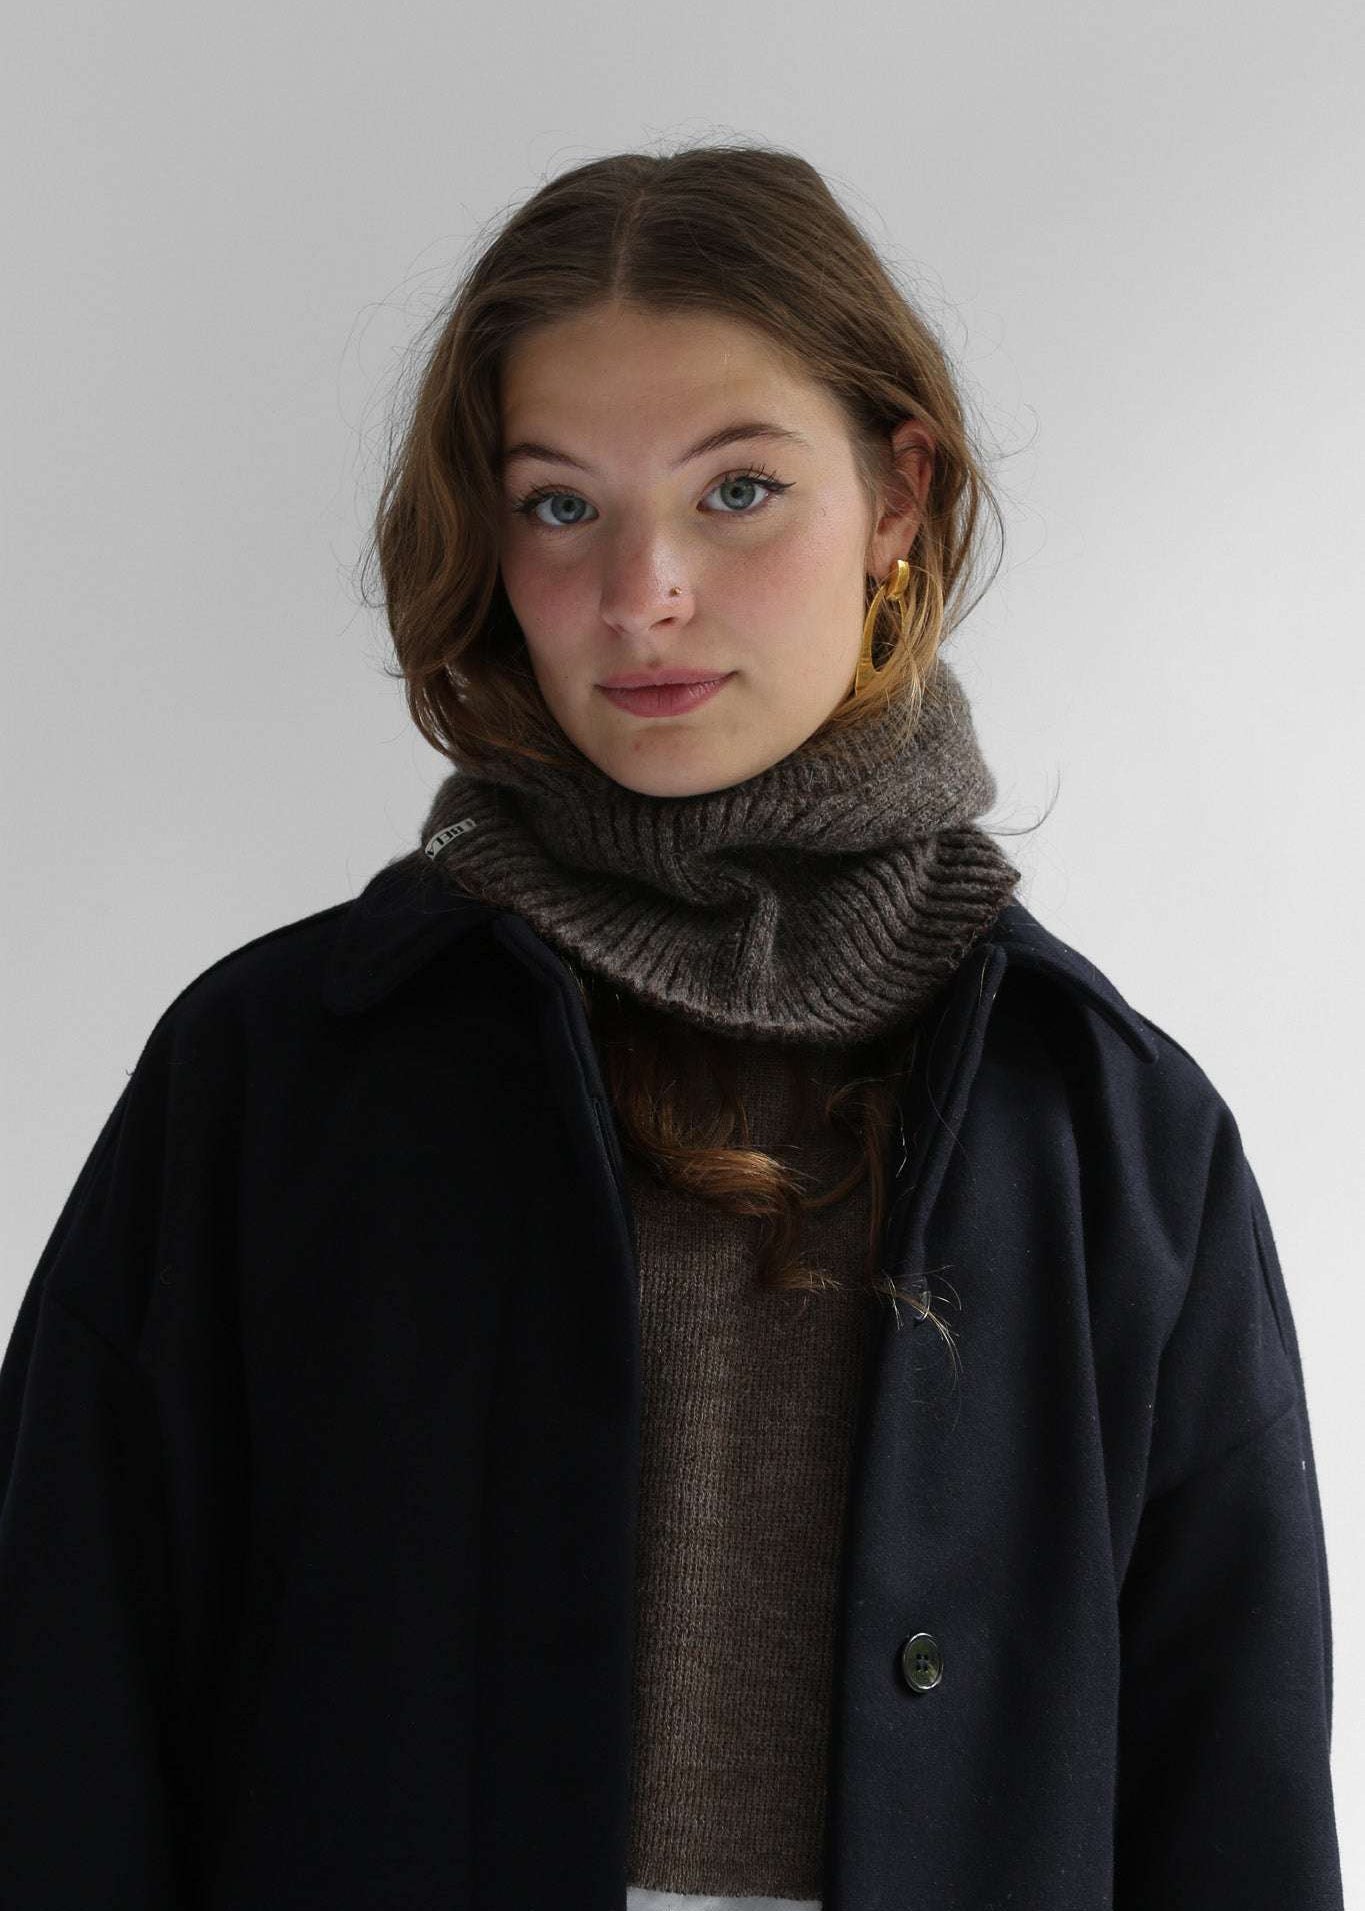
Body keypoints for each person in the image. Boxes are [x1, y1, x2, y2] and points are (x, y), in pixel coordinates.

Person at [0, 143, 1344, 1909]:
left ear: (896, 496)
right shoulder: (278, 1072)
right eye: (560, 503)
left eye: (735, 491)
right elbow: (60, 1719)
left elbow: (1228, 1804)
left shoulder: (1106, 1130)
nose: (642, 593)